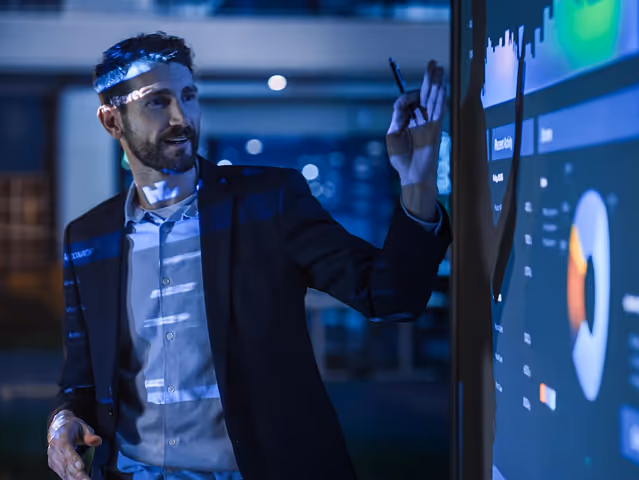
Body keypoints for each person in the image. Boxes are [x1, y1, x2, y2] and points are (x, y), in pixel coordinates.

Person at [47, 32, 451, 480]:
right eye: (157, 102)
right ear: (112, 121)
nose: (182, 117)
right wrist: (62, 425)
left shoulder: (268, 203)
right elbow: (81, 381)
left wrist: (417, 183)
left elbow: (391, 295)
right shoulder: (88, 238)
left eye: (188, 95)